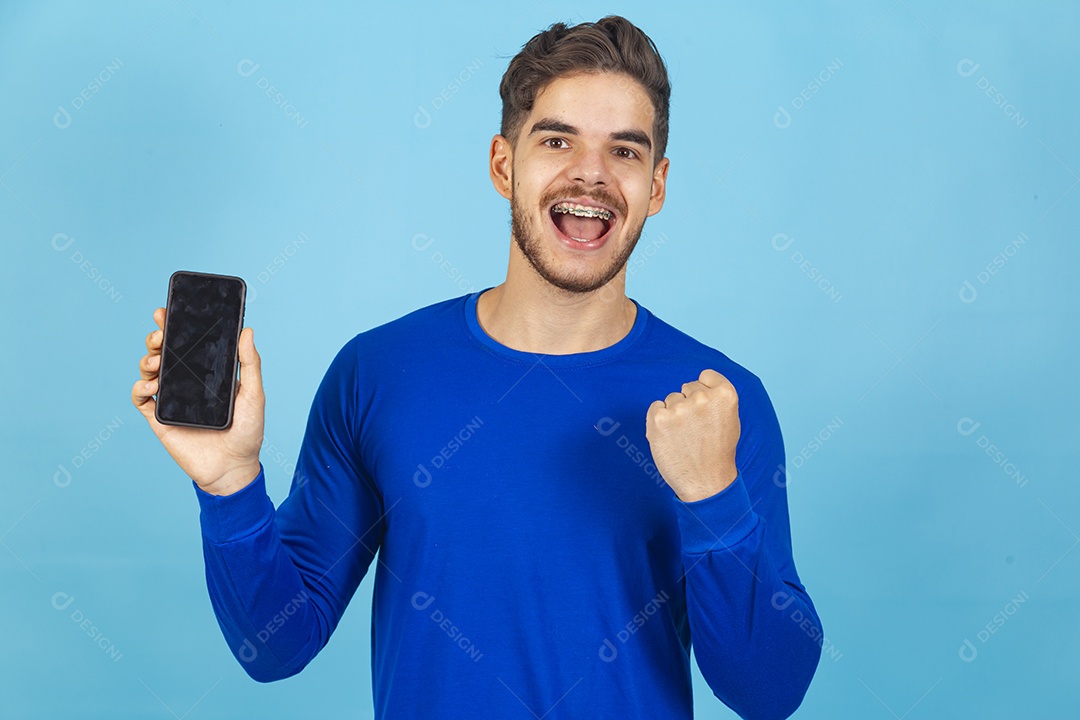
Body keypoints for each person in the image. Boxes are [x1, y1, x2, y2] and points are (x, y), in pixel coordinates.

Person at [132, 15, 822, 719]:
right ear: (503, 164)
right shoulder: (378, 373)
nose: (591, 173)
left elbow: (769, 693)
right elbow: (276, 646)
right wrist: (229, 484)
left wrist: (713, 499)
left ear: (657, 185)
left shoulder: (719, 404)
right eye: (557, 140)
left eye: (625, 151)